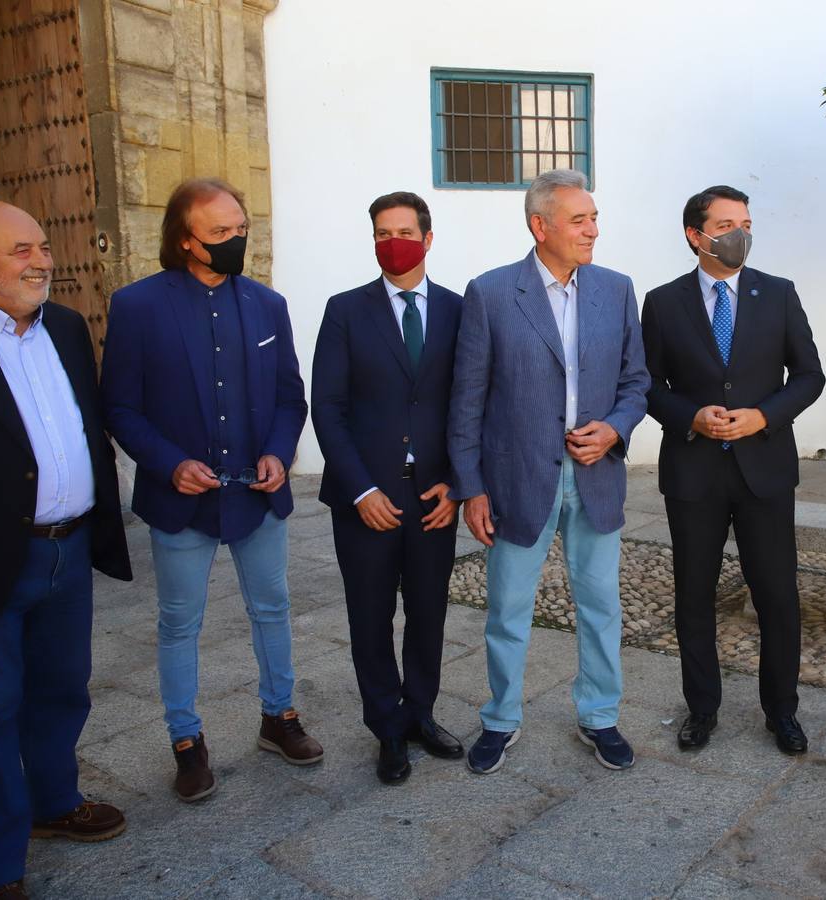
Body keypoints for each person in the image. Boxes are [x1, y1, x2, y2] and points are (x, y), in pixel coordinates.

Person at [100, 178, 321, 803]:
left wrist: (279, 451)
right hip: (182, 501)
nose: (235, 241)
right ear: (185, 239)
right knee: (178, 623)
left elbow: (288, 395)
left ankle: (279, 717)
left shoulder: (268, 305)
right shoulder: (137, 306)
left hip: (257, 495)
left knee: (272, 608)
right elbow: (120, 405)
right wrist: (170, 465)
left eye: (240, 228)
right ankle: (186, 741)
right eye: (219, 233)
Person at [0, 202, 133, 899]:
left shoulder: (63, 325)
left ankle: (55, 803)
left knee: (62, 689)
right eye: (20, 249)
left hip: (68, 550)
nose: (42, 260)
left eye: (44, 245)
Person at [448, 168, 649, 774]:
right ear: (541, 226)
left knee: (600, 605)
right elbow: (467, 400)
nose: (593, 229)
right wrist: (471, 488)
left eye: (594, 218)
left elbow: (636, 382)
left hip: (595, 476)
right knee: (508, 609)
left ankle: (600, 716)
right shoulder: (490, 293)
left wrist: (614, 428)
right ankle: (501, 718)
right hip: (516, 481)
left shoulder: (615, 289)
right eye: (580, 220)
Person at [641, 185, 825, 754]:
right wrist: (691, 416)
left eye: (745, 222)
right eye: (725, 224)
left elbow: (810, 377)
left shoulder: (779, 294)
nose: (739, 233)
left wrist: (762, 417)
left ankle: (782, 711)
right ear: (696, 236)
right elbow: (647, 386)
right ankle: (701, 708)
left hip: (763, 471)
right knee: (693, 596)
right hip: (694, 473)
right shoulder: (664, 302)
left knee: (776, 595)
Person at [311, 192, 464, 784]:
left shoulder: (457, 310)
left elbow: (467, 404)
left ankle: (421, 712)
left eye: (402, 231)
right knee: (370, 618)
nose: (390, 242)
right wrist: (359, 490)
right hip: (366, 501)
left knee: (429, 614)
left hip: (433, 499)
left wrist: (455, 482)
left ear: (427, 239)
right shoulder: (345, 310)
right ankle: (387, 727)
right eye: (380, 233)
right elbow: (328, 406)